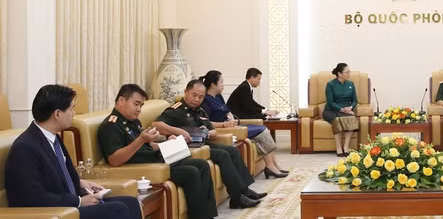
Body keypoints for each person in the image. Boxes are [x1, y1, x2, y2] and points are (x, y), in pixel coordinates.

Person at [5, 85, 141, 219]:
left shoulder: (53, 137)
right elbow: (33, 196)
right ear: (57, 114)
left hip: (68, 204)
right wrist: (79, 202)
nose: (74, 114)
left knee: (131, 202)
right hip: (54, 212)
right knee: (118, 210)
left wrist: (80, 183)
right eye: (71, 109)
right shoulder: (25, 147)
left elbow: (58, 173)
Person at [98, 84, 218, 219]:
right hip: (143, 167)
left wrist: (166, 143)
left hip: (156, 159)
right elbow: (115, 159)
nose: (139, 109)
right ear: (121, 101)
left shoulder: (132, 121)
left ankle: (209, 215)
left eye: (141, 106)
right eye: (136, 104)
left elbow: (148, 146)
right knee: (191, 172)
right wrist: (141, 140)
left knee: (202, 165)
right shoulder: (111, 125)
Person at [152, 80, 266, 209]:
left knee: (232, 150)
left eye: (200, 97)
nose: (197, 99)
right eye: (194, 95)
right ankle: (237, 197)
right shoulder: (176, 110)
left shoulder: (200, 111)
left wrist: (211, 133)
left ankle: (244, 191)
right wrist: (178, 131)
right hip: (189, 147)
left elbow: (211, 129)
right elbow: (156, 125)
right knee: (223, 155)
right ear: (186, 92)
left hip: (203, 143)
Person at [200, 70, 289, 179]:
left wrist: (231, 118)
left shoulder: (218, 96)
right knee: (262, 130)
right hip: (224, 130)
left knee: (264, 128)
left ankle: (275, 165)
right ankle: (270, 167)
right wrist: (224, 124)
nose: (224, 85)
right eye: (221, 82)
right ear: (213, 84)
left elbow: (227, 110)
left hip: (233, 126)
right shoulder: (205, 100)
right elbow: (207, 123)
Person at [323, 63, 360, 157]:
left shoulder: (350, 84)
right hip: (331, 110)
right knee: (337, 120)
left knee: (351, 118)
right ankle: (338, 148)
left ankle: (346, 147)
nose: (349, 74)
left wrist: (351, 107)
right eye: (347, 72)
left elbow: (355, 100)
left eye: (349, 72)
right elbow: (330, 102)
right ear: (339, 74)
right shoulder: (330, 84)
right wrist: (343, 110)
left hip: (346, 110)